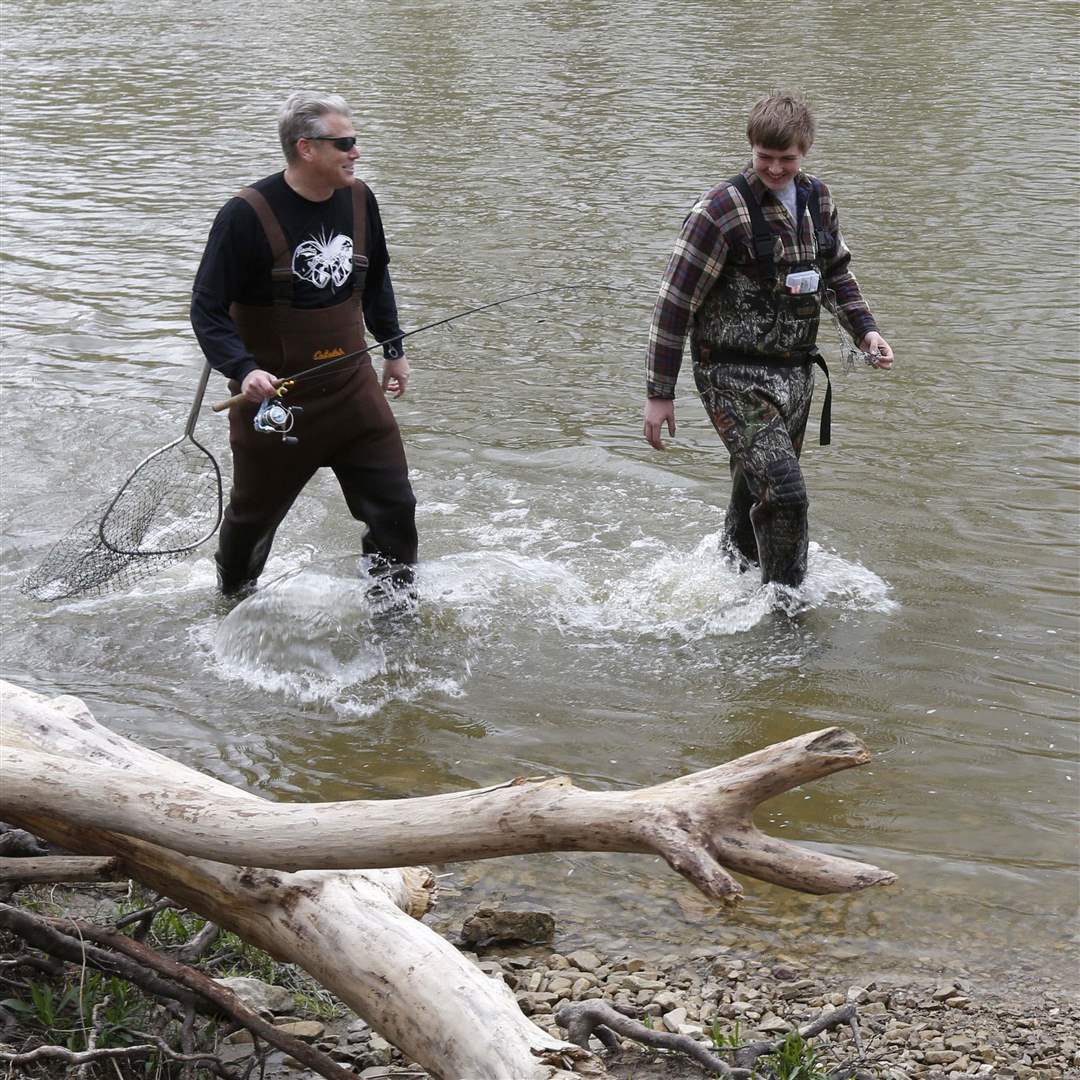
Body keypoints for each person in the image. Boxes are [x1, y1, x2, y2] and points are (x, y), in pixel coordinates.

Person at [642, 93, 893, 588]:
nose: (775, 168)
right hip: (730, 377)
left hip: (795, 377)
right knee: (786, 490)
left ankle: (727, 582)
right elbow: (674, 305)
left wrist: (866, 332)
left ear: (806, 151)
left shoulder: (818, 200)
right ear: (751, 147)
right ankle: (787, 611)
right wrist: (659, 393)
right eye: (765, 157)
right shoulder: (718, 211)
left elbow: (836, 275)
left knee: (755, 493)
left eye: (787, 159)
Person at [192, 90, 417, 597]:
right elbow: (206, 309)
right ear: (306, 148)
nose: (356, 152)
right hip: (274, 401)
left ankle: (394, 613)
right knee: (253, 520)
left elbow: (376, 279)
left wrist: (393, 348)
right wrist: (243, 368)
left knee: (396, 507)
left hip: (353, 391)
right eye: (345, 143)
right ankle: (233, 598)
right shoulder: (245, 214)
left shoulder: (360, 199)